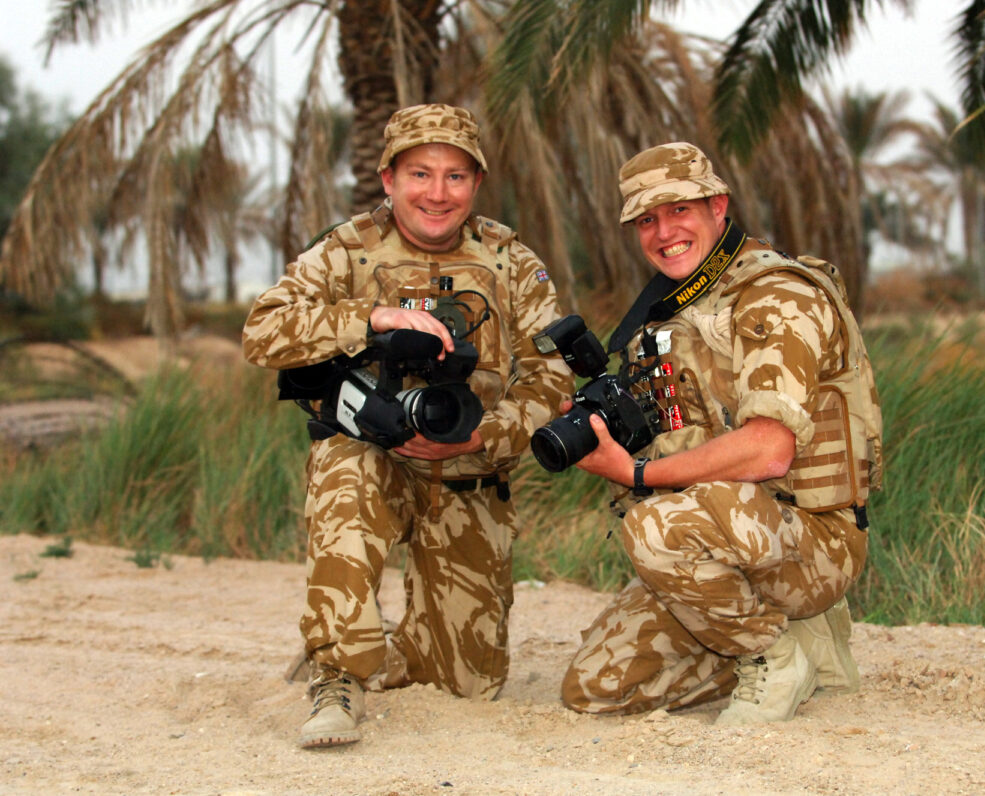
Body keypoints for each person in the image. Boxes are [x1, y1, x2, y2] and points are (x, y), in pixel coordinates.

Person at [243, 103, 573, 748]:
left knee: (465, 684)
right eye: (420, 173)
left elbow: (551, 377)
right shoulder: (345, 251)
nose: (437, 193)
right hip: (372, 455)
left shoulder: (510, 260)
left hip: (469, 468)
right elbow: (262, 332)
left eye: (455, 176)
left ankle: (377, 647)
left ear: (476, 183)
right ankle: (337, 670)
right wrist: (372, 320)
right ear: (388, 178)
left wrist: (491, 433)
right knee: (348, 477)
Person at [558, 142, 883, 725]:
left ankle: (772, 655)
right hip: (731, 536)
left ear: (718, 206)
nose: (664, 232)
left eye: (680, 210)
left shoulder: (775, 296)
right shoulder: (667, 314)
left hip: (814, 538)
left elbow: (769, 449)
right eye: (647, 220)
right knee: (595, 687)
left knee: (657, 528)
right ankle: (804, 638)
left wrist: (635, 473)